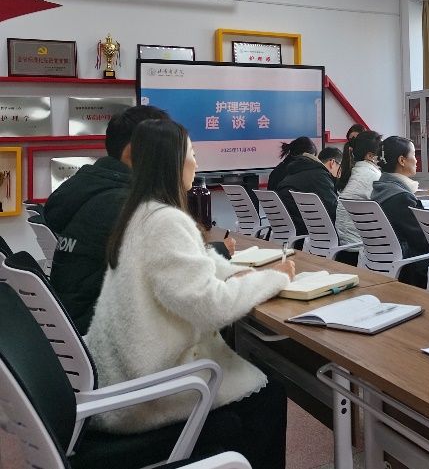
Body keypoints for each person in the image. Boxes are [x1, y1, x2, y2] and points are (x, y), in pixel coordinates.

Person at [85, 119, 294, 468]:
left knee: (262, 388)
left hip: (126, 377)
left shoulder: (141, 213)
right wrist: (274, 280)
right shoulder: (165, 222)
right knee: (270, 397)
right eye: (192, 154)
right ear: (172, 162)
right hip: (150, 393)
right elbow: (212, 306)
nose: (197, 163)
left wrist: (239, 274)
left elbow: (197, 265)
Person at [46, 105, 170, 334]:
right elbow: (171, 273)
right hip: (102, 333)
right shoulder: (123, 205)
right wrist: (219, 251)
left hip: (75, 326)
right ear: (133, 151)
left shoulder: (92, 189)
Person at [370, 136, 429, 288]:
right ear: (402, 160)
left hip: (385, 259)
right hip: (409, 265)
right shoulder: (400, 197)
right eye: (414, 155)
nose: (416, 160)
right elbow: (422, 240)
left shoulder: (380, 188)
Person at [276, 138, 339, 238]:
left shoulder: (288, 175)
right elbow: (333, 210)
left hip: (288, 233)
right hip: (311, 234)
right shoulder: (318, 176)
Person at [334, 130, 383, 245]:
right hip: (361, 245)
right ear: (370, 156)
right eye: (381, 152)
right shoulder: (373, 176)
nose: (384, 156)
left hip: (346, 243)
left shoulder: (355, 171)